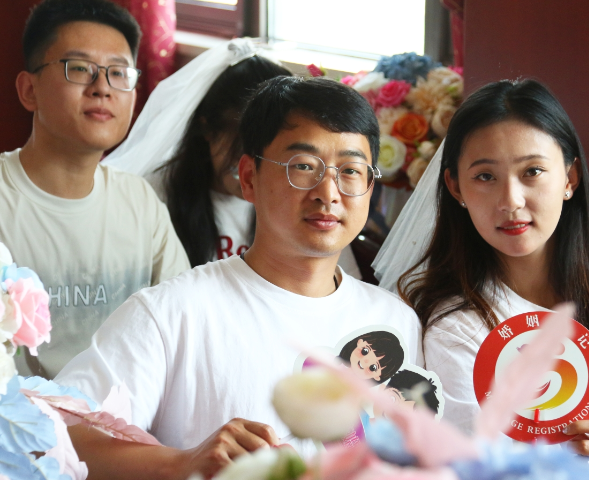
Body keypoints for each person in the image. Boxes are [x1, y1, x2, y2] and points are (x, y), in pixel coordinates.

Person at [56, 76, 421, 480]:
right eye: (303, 166)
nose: (328, 192)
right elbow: (55, 436)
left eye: (350, 170)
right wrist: (183, 462)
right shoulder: (172, 313)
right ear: (249, 178)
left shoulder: (395, 321)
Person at [374, 79, 589, 478]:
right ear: (455, 187)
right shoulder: (449, 322)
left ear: (570, 178)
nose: (511, 201)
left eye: (532, 171)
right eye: (485, 177)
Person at [0, 0, 190, 379]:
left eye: (118, 73)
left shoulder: (139, 202)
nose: (102, 88)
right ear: (29, 90)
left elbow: (182, 323)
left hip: (128, 409)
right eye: (79, 68)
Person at [103, 39, 362, 278]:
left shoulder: (303, 196)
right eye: (241, 143)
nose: (252, 167)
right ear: (207, 128)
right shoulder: (155, 196)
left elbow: (341, 282)